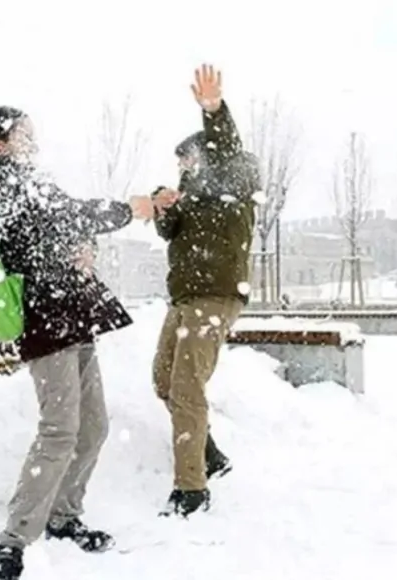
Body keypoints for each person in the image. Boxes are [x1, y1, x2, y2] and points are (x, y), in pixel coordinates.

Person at [0, 106, 173, 580]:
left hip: (72, 313)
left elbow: (64, 228)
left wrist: (87, 249)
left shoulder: (25, 177)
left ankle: (64, 516)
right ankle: (11, 541)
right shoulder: (2, 181)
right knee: (60, 430)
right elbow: (66, 218)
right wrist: (132, 208)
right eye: (22, 132)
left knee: (94, 426)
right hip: (46, 320)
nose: (32, 139)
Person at [149, 64, 260, 518]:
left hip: (215, 296)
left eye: (188, 160)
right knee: (163, 380)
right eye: (180, 164)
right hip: (185, 299)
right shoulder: (191, 195)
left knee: (187, 387)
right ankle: (209, 453)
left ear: (206, 155)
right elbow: (168, 230)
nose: (183, 168)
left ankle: (191, 489)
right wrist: (162, 204)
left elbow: (227, 147)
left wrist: (213, 110)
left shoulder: (235, 177)